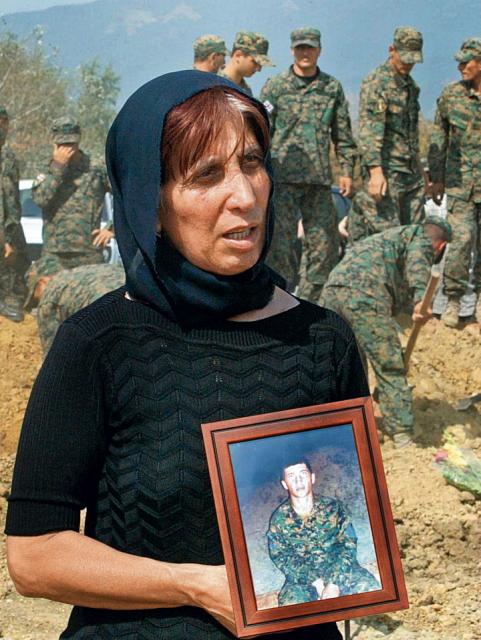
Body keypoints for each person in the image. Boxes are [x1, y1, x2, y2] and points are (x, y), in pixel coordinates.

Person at [6, 71, 369, 640]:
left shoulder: (323, 342)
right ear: (150, 203)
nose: (244, 196)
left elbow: (348, 525)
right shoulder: (99, 343)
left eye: (253, 163)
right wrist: (195, 585)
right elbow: (35, 557)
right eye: (207, 175)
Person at [321, 217, 452, 447]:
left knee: (349, 367)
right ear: (440, 246)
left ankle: (351, 427)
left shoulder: (390, 239)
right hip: (364, 294)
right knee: (389, 365)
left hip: (331, 291)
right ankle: (401, 433)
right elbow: (418, 264)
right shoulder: (419, 238)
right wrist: (421, 300)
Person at [260, 27, 356, 298]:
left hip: (318, 181)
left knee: (325, 247)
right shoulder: (276, 87)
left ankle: (310, 303)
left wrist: (347, 170)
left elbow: (343, 134)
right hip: (283, 180)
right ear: (292, 50)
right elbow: (262, 131)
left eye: (310, 48)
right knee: (280, 248)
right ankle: (279, 301)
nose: (305, 53)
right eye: (300, 48)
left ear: (319, 51)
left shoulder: (331, 88)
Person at [349, 26, 425, 244]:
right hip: (386, 172)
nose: (408, 64)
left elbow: (411, 133)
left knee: (415, 238)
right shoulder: (377, 83)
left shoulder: (411, 86)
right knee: (390, 238)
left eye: (413, 60)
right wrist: (375, 171)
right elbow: (369, 130)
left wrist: (421, 171)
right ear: (392, 50)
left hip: (410, 173)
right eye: (405, 58)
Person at [267, 459, 379, 606]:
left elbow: (349, 544)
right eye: (291, 476)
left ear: (312, 478)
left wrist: (333, 583)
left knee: (371, 591)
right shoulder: (279, 519)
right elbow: (281, 556)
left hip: (340, 569)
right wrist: (316, 582)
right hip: (303, 579)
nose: (298, 480)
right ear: (284, 484)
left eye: (303, 473)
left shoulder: (334, 508)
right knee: (291, 606)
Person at [428, 37, 481, 328]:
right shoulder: (451, 96)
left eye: (466, 61)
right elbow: (438, 139)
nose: (460, 67)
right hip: (461, 185)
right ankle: (453, 299)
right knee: (460, 241)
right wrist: (436, 179)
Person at [32, 116, 113, 270]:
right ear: (54, 143)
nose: (67, 150)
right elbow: (40, 200)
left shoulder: (96, 167)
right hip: (54, 254)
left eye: (71, 144)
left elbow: (126, 197)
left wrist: (111, 229)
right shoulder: (46, 167)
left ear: (79, 140)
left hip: (89, 253)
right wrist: (58, 168)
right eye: (62, 145)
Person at [34, 262, 124, 355]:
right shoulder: (86, 270)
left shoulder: (49, 296)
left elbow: (54, 356)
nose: (38, 302)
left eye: (36, 299)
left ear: (42, 281)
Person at [0, 105, 29, 322]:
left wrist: (10, 234)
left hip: (9, 226)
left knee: (18, 265)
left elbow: (11, 198)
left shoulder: (8, 157)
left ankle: (10, 304)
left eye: (4, 123)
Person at [218, 31, 274, 96]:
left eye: (260, 64)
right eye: (255, 62)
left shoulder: (247, 91)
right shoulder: (214, 84)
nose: (259, 69)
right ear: (238, 55)